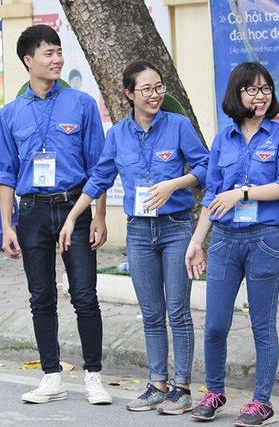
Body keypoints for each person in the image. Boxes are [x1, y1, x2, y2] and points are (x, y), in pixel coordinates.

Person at [59, 60, 210, 415]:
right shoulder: (117, 135)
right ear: (129, 94)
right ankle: (157, 384)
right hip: (139, 232)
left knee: (178, 311)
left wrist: (176, 182)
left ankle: (183, 387)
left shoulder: (178, 125)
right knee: (151, 313)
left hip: (176, 227)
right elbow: (98, 179)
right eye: (146, 89)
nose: (155, 94)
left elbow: (206, 167)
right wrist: (72, 216)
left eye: (159, 87)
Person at [0, 24, 112, 406]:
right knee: (41, 297)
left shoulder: (81, 104)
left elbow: (99, 167)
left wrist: (99, 216)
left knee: (85, 295)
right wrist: (7, 225)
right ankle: (51, 375)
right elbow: (5, 173)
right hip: (31, 213)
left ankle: (93, 376)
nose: (57, 59)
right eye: (48, 53)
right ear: (29, 61)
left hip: (74, 208)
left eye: (59, 51)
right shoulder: (10, 114)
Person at [185, 62, 279, 426]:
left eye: (266, 89)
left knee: (262, 327)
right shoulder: (223, 139)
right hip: (224, 241)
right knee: (215, 325)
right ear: (237, 94)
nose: (261, 95)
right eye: (252, 89)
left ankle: (261, 401)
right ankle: (214, 392)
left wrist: (244, 192)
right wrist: (197, 240)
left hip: (264, 240)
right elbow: (212, 196)